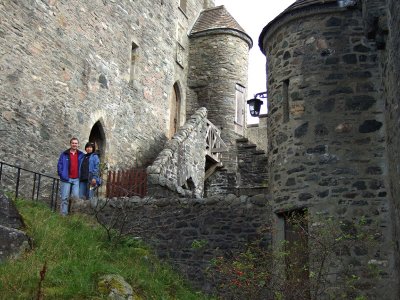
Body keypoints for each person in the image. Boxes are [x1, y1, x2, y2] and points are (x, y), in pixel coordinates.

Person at [57, 137, 84, 216]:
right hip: (66, 178)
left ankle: (74, 216)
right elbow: (59, 165)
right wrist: (61, 174)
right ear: (70, 144)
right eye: (73, 143)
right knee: (64, 198)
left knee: (75, 198)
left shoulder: (81, 155)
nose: (74, 144)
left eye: (76, 143)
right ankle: (63, 215)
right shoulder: (64, 154)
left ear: (78, 145)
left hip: (76, 179)